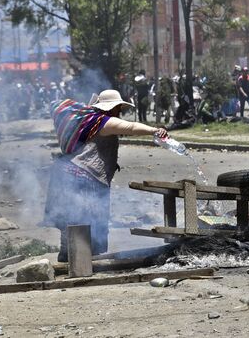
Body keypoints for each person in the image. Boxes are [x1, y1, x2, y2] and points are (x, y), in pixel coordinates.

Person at [44, 90, 167, 261]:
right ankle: (79, 261)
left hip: (68, 173)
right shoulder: (103, 122)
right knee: (84, 219)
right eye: (118, 108)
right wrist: (155, 130)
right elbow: (130, 127)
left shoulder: (91, 121)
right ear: (111, 108)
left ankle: (69, 257)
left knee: (72, 220)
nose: (120, 112)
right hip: (84, 175)